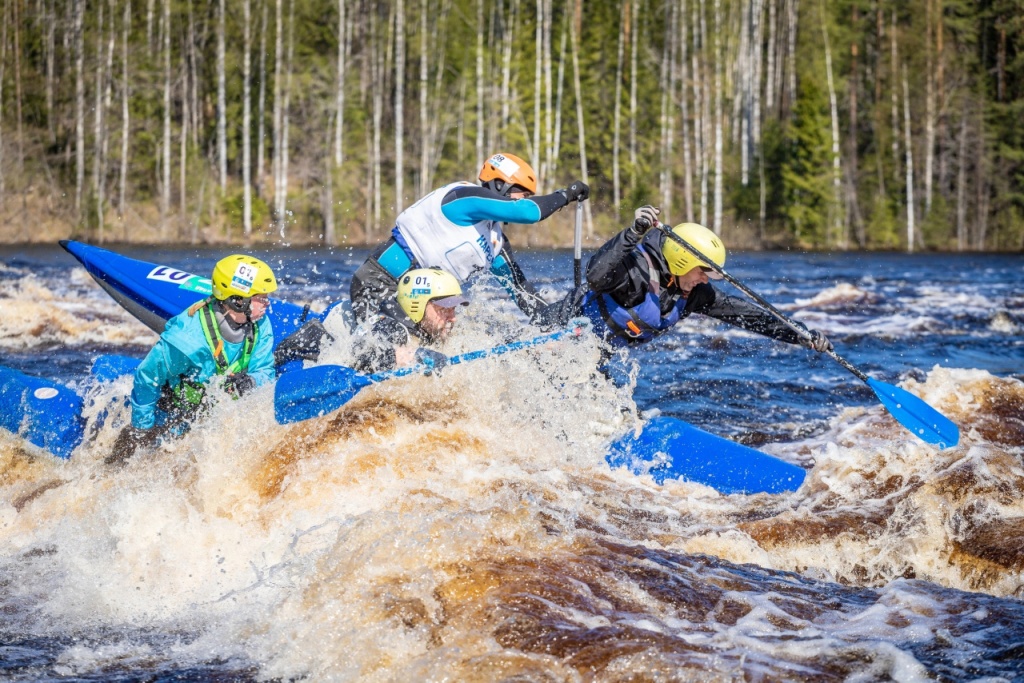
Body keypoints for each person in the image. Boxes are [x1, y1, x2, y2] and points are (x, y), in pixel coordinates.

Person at [538, 206, 833, 354]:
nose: (705, 280)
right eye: (702, 271)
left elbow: (746, 315)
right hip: (551, 339)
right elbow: (596, 276)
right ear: (683, 260)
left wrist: (800, 335)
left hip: (589, 357)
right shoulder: (636, 271)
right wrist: (632, 234)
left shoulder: (694, 292)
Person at [349, 152, 589, 324]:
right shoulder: (464, 198)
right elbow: (529, 212)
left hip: (424, 305)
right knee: (400, 344)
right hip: (381, 284)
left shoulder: (497, 244)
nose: (524, 199)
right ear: (499, 186)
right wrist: (567, 194)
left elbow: (524, 295)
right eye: (521, 193)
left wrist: (562, 318)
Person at [108, 255, 279, 465]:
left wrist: (251, 381)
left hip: (215, 421)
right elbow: (147, 376)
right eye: (260, 297)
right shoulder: (187, 338)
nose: (267, 302)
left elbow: (265, 372)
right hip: (170, 419)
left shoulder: (261, 325)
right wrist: (143, 428)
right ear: (237, 300)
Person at [352, 267, 469, 374]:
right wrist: (412, 356)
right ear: (418, 306)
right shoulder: (391, 328)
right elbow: (361, 358)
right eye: (444, 309)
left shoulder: (428, 330)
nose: (453, 318)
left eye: (453, 309)